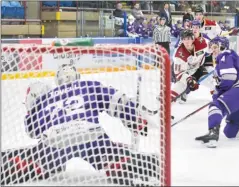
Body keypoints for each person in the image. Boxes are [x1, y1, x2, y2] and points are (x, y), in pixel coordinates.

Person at [1, 64, 159, 185]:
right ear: (77, 76)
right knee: (112, 155)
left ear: (57, 80)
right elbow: (117, 101)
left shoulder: (47, 98)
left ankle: (25, 164)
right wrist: (135, 120)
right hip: (90, 135)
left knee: (39, 159)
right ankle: (128, 163)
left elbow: (32, 130)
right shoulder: (89, 85)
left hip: (55, 141)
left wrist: (31, 110)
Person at [171, 29, 212, 104]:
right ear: (182, 40)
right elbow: (179, 74)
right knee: (179, 87)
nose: (187, 41)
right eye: (184, 39)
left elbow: (213, 47)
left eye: (189, 39)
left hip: (198, 68)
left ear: (193, 39)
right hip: (183, 71)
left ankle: (219, 97)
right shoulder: (178, 55)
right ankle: (167, 105)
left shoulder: (202, 42)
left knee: (210, 81)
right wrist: (189, 80)